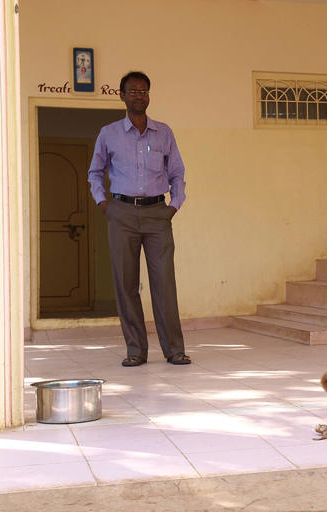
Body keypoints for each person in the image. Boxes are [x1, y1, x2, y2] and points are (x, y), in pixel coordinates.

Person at [88, 71, 190, 367]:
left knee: (164, 283)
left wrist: (174, 205)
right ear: (122, 96)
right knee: (126, 283)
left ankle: (174, 350)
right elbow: (95, 172)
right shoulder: (109, 134)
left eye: (144, 91)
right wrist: (104, 204)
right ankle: (136, 350)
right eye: (133, 91)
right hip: (121, 213)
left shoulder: (164, 132)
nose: (139, 96)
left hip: (158, 213)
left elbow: (177, 172)